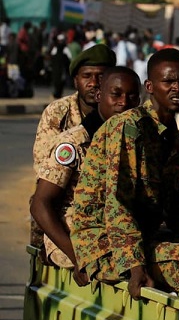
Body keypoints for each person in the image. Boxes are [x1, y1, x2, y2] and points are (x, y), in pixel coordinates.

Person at [71, 48, 179, 300]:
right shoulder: (129, 126)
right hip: (105, 244)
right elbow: (117, 204)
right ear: (150, 87)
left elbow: (175, 205)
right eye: (168, 81)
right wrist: (135, 267)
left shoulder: (176, 140)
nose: (177, 88)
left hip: (144, 237)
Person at [31, 67, 141, 285]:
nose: (124, 103)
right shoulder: (73, 144)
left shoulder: (135, 140)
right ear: (100, 96)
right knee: (122, 267)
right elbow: (40, 205)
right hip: (73, 237)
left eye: (131, 97)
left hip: (116, 233)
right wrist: (77, 257)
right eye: (116, 95)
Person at [30, 45, 117, 248]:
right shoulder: (58, 112)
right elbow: (45, 167)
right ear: (76, 81)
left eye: (101, 76)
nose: (94, 83)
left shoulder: (121, 110)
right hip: (65, 205)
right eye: (87, 76)